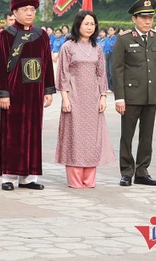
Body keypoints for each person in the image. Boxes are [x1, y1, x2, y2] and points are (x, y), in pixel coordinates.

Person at [0, 0, 55, 191]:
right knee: (13, 134)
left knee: (33, 132)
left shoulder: (41, 34)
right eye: (25, 10)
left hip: (35, 92)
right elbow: (0, 66)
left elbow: (47, 65)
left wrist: (48, 90)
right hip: (14, 93)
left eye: (32, 10)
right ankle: (9, 176)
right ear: (15, 13)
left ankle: (28, 177)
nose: (29, 13)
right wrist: (3, 93)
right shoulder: (5, 36)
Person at [55, 10, 115, 188]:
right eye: (86, 23)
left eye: (92, 24)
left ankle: (89, 179)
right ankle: (75, 179)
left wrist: (103, 97)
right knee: (74, 137)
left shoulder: (97, 48)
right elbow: (63, 74)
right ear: (78, 24)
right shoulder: (68, 47)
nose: (89, 27)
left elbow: (101, 74)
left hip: (93, 99)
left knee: (92, 138)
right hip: (74, 97)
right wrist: (65, 98)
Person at [112, 0, 156, 187]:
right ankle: (127, 172)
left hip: (151, 94)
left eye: (150, 17)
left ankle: (142, 172)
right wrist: (119, 97)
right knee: (127, 135)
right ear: (134, 19)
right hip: (130, 96)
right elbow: (117, 69)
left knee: (147, 135)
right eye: (143, 17)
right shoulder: (124, 39)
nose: (148, 21)